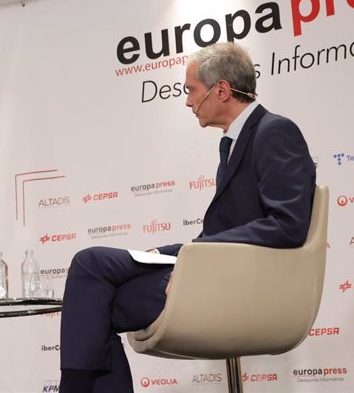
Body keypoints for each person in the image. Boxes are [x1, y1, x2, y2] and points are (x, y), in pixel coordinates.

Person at [59, 42, 316, 392]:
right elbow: (232, 231)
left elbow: (288, 225)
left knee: (94, 294)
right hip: (213, 268)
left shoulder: (274, 131)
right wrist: (175, 252)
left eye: (191, 90)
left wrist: (192, 260)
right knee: (92, 271)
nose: (187, 101)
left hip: (233, 284)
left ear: (221, 90)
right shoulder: (233, 142)